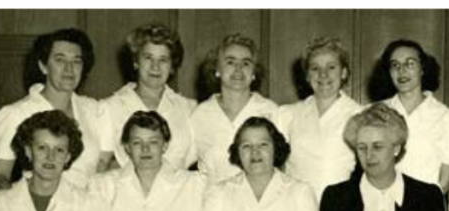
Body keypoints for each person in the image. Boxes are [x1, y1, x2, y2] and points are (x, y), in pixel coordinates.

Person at [0, 28, 110, 191]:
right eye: (60, 60)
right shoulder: (15, 114)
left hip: (87, 208)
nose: (69, 69)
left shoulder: (96, 110)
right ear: (43, 66)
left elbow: (105, 167)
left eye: (76, 61)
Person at [276, 36, 363, 201]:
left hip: (341, 208)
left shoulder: (359, 114)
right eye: (315, 68)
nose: (323, 74)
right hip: (296, 208)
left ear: (343, 72)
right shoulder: (287, 114)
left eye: (331, 67)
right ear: (307, 75)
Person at [101, 23, 197, 171]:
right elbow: (102, 166)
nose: (155, 67)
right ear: (136, 62)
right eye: (148, 58)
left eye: (163, 60)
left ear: (172, 66)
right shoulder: (109, 107)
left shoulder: (189, 109)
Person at [191, 33, 280, 183]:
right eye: (230, 62)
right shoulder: (200, 115)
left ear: (253, 73)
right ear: (217, 69)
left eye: (246, 63)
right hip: (213, 202)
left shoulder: (271, 111)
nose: (238, 68)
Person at [377, 39, 449, 190]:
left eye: (410, 63)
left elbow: (446, 181)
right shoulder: (375, 113)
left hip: (426, 207)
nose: (401, 70)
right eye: (395, 65)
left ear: (422, 69)